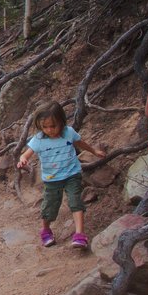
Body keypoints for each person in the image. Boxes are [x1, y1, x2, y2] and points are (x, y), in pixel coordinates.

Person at [16, 102, 106, 249]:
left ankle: (80, 234)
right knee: (50, 206)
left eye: (53, 126)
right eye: (45, 127)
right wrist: (23, 160)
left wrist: (94, 151)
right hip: (52, 180)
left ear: (62, 122)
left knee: (76, 201)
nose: (49, 130)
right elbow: (25, 154)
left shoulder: (68, 132)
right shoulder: (39, 140)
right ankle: (45, 230)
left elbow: (80, 143)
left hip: (72, 174)